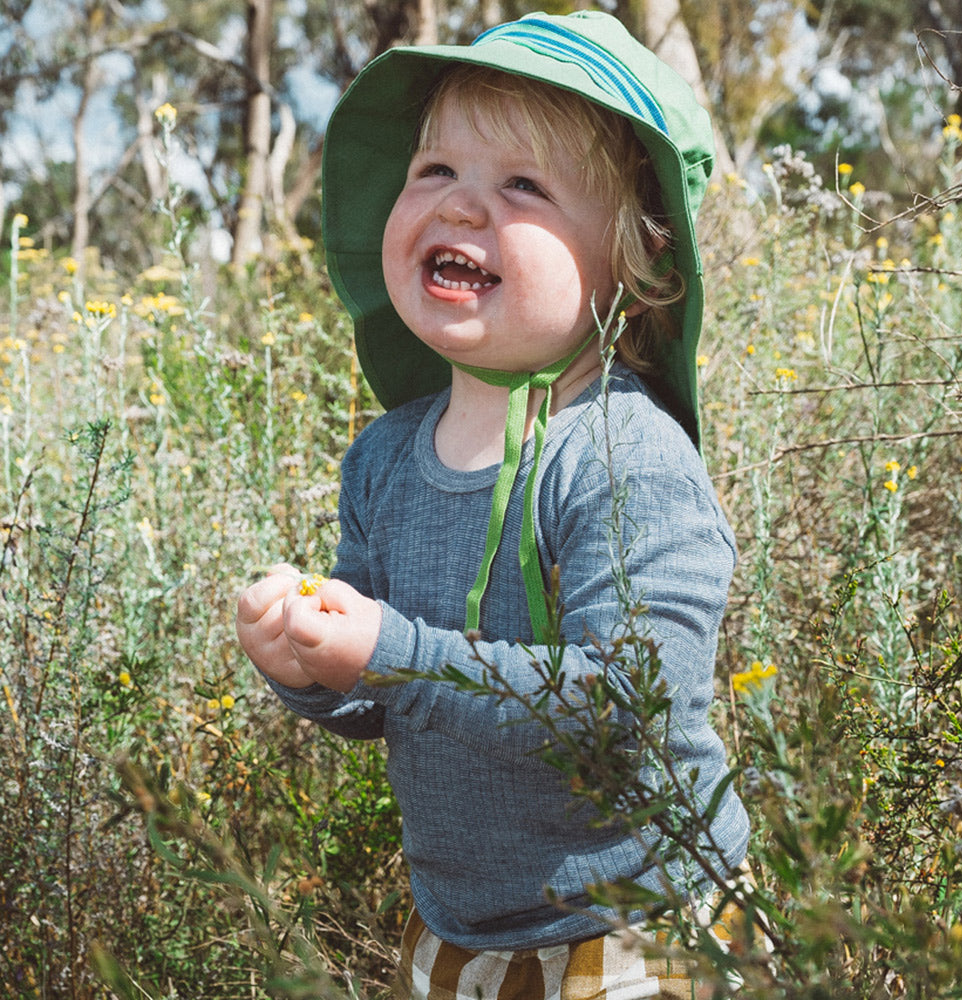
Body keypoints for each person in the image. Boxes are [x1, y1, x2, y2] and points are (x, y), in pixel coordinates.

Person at [236, 10, 751, 998]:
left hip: (641, 929)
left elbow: (628, 708)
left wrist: (394, 648)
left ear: (636, 264)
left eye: (522, 185)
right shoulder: (385, 457)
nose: (462, 207)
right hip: (465, 932)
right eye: (434, 171)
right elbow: (386, 694)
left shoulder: (618, 453)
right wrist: (310, 662)